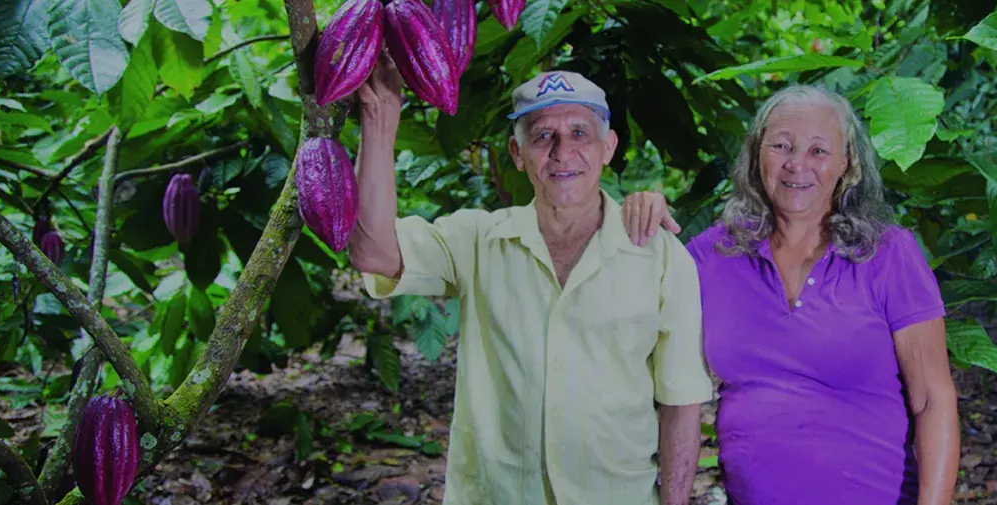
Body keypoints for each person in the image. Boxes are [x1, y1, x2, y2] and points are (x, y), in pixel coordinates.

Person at [348, 59, 712, 505]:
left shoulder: (658, 255)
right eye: (543, 136)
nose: (562, 152)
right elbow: (374, 253)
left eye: (580, 133)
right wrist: (379, 119)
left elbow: (682, 401)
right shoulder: (477, 240)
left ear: (608, 146)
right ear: (518, 154)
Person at [621, 84, 960, 504]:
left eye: (818, 151)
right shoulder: (713, 254)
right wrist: (637, 215)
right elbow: (624, 313)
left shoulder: (888, 254)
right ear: (756, 154)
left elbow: (933, 400)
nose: (797, 164)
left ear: (847, 163)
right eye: (782, 145)